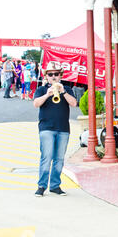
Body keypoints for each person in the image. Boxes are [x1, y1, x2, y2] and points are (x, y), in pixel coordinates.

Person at [33, 62, 77, 197]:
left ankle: (55, 186)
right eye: (50, 74)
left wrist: (62, 92)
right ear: (46, 76)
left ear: (60, 75)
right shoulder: (41, 89)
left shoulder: (67, 89)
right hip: (46, 127)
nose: (53, 77)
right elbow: (36, 104)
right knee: (46, 157)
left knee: (59, 159)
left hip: (63, 128)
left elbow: (74, 103)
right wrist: (47, 94)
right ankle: (41, 186)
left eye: (56, 74)